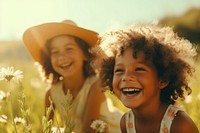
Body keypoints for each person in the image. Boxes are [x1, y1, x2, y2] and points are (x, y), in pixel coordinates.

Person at [91, 23, 199, 133]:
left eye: (139, 69)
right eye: (119, 70)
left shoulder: (180, 124)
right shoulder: (127, 123)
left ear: (163, 80)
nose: (126, 77)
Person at [23, 20, 123, 133]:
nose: (62, 57)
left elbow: (88, 130)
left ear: (85, 54)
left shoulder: (95, 86)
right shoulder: (51, 93)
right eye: (55, 52)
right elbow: (46, 128)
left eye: (69, 49)